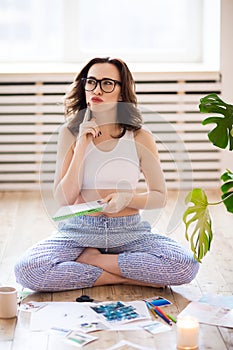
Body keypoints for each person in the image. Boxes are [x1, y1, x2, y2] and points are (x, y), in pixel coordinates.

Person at [14, 57, 199, 291]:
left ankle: (95, 261)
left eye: (107, 83)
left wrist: (127, 199)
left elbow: (159, 195)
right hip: (80, 232)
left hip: (129, 231)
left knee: (185, 266)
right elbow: (64, 199)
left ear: (122, 93)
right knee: (28, 270)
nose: (97, 89)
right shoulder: (69, 134)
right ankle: (121, 276)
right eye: (91, 82)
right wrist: (81, 144)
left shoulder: (141, 137)